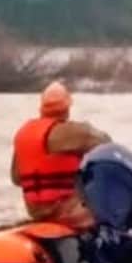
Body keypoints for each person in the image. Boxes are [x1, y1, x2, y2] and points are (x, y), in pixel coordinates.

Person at [10, 81, 110, 230]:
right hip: (67, 210)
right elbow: (107, 143)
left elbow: (17, 178)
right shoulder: (74, 132)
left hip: (36, 211)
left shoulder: (23, 134)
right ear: (67, 107)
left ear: (42, 107)